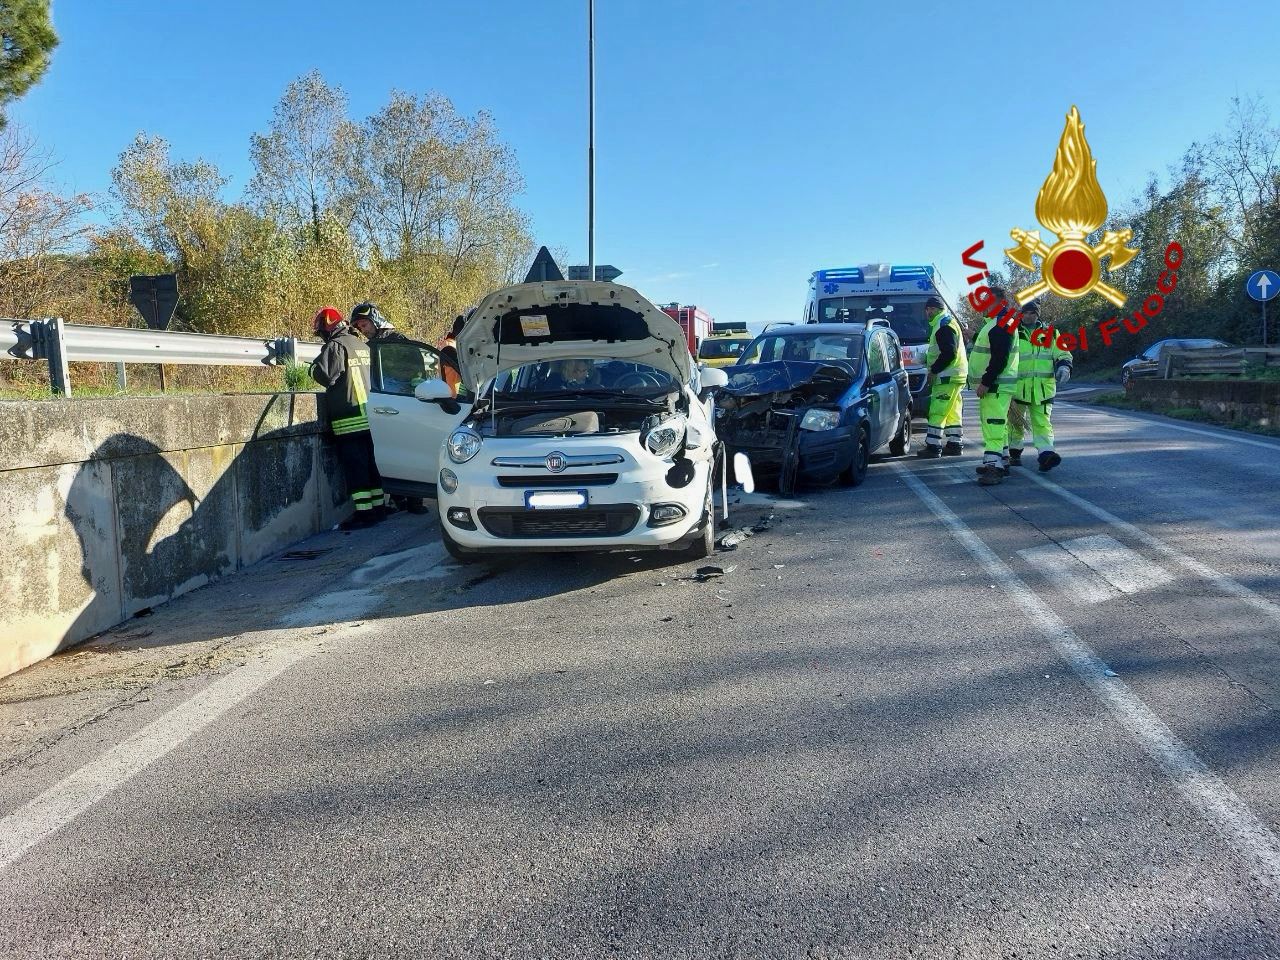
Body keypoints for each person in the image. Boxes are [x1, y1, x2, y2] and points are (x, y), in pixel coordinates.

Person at [308, 306, 386, 529]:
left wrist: (311, 368)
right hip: (370, 418)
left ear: (327, 329)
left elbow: (325, 374)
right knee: (372, 465)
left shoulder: (336, 346)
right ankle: (379, 510)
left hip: (349, 419)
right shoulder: (361, 345)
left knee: (356, 468)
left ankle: (364, 514)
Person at [1008, 301, 1071, 471]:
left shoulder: (1051, 333)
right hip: (1017, 389)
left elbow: (1063, 352)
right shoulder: (1013, 332)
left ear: (1038, 315)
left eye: (1032, 313)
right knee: (1015, 423)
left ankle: (1046, 455)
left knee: (1042, 423)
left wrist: (1064, 365)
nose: (1028, 316)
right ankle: (1014, 453)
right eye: (1026, 313)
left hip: (1043, 389)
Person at [966, 287, 1019, 486]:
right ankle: (1002, 461)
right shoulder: (998, 323)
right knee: (998, 425)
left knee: (993, 426)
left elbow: (999, 358)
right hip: (998, 386)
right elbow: (993, 349)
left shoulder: (1000, 324)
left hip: (995, 386)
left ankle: (993, 467)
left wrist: (986, 382)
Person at [915, 295, 968, 458]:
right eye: (927, 309)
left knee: (937, 411)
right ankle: (954, 443)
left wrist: (934, 370)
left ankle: (933, 446)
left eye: (932, 309)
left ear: (940, 309)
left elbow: (949, 352)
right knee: (953, 412)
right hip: (955, 375)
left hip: (946, 376)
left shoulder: (943, 325)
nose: (929, 312)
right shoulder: (945, 322)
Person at [439, 314, 466, 396]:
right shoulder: (449, 347)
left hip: (451, 395)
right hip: (449, 397)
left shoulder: (451, 344)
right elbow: (466, 374)